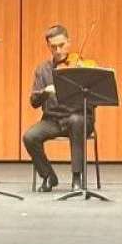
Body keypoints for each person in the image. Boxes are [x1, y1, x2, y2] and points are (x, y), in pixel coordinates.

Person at [22, 25, 94, 192]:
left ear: (68, 42)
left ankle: (77, 177)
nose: (58, 50)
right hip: (52, 119)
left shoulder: (81, 65)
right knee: (29, 137)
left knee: (76, 121)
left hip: (80, 118)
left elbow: (94, 99)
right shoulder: (43, 69)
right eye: (53, 46)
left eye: (61, 45)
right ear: (48, 46)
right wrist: (44, 93)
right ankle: (48, 176)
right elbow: (34, 102)